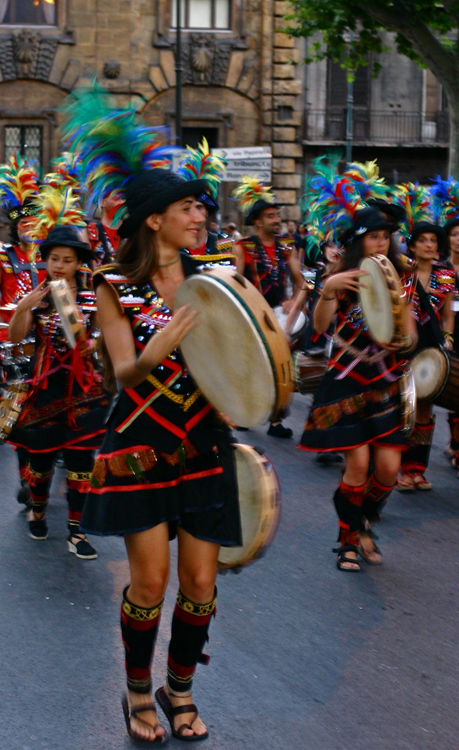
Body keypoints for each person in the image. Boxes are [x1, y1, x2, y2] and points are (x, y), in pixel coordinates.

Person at [62, 91, 242, 742]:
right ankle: (136, 690)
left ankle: (179, 688)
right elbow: (121, 373)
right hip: (140, 439)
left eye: (200, 207)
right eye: (187, 207)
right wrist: (155, 348)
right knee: (150, 580)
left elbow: (249, 354)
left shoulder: (216, 278)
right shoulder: (115, 286)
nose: (200, 216)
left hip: (204, 440)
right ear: (153, 221)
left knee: (199, 581)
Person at [299, 207, 418, 571]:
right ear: (358, 241)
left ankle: (364, 520)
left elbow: (410, 331)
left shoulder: (403, 275)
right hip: (347, 376)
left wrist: (404, 340)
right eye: (373, 236)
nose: (381, 242)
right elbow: (319, 327)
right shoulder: (339, 276)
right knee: (359, 462)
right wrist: (327, 292)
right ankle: (348, 541)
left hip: (386, 377)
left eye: (385, 236)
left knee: (387, 469)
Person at [8, 215, 109, 557]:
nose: (60, 266)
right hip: (45, 388)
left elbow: (103, 339)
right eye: (54, 259)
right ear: (46, 260)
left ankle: (76, 531)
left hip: (85, 391)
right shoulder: (38, 296)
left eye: (68, 260)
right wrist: (24, 308)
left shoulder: (95, 298)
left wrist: (90, 341)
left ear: (79, 263)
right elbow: (16, 336)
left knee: (82, 462)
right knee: (41, 461)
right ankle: (38, 508)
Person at [233, 177, 303, 438]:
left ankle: (276, 420)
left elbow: (301, 282)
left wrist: (293, 302)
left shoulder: (287, 246)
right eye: (271, 216)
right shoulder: (243, 247)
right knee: (250, 366)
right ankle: (244, 413)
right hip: (252, 314)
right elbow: (237, 283)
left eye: (277, 215)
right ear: (258, 221)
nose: (277, 220)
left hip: (279, 315)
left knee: (281, 366)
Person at [0, 154, 47, 506]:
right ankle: (25, 480)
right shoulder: (3, 258)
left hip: (49, 348)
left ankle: (39, 477)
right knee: (17, 417)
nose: (26, 227)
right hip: (12, 347)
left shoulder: (55, 257)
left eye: (32, 221)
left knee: (45, 413)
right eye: (21, 222)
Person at [397, 222, 454, 490]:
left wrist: (449, 338)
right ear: (412, 245)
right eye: (423, 240)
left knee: (425, 408)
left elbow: (448, 314)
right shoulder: (401, 271)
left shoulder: (446, 274)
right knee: (405, 408)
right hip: (404, 346)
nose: (429, 245)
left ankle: (417, 470)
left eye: (433, 240)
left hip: (431, 346)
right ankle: (400, 470)